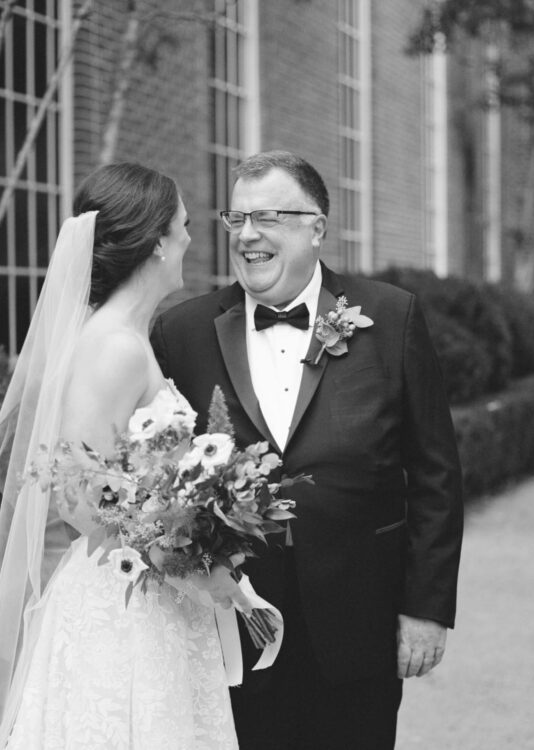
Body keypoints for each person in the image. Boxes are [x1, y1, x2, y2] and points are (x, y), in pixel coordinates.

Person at [151, 150, 464, 749]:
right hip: (231, 628)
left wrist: (426, 608)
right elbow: (160, 475)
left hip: (359, 623)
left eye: (267, 217)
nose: (247, 234)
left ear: (317, 227)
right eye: (235, 218)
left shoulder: (391, 317)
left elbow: (435, 474)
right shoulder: (182, 332)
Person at [0, 162, 252, 750]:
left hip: (149, 593)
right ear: (155, 242)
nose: (190, 240)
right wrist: (187, 556)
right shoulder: (114, 348)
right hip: (125, 606)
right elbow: (74, 495)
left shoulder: (124, 337)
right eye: (183, 225)